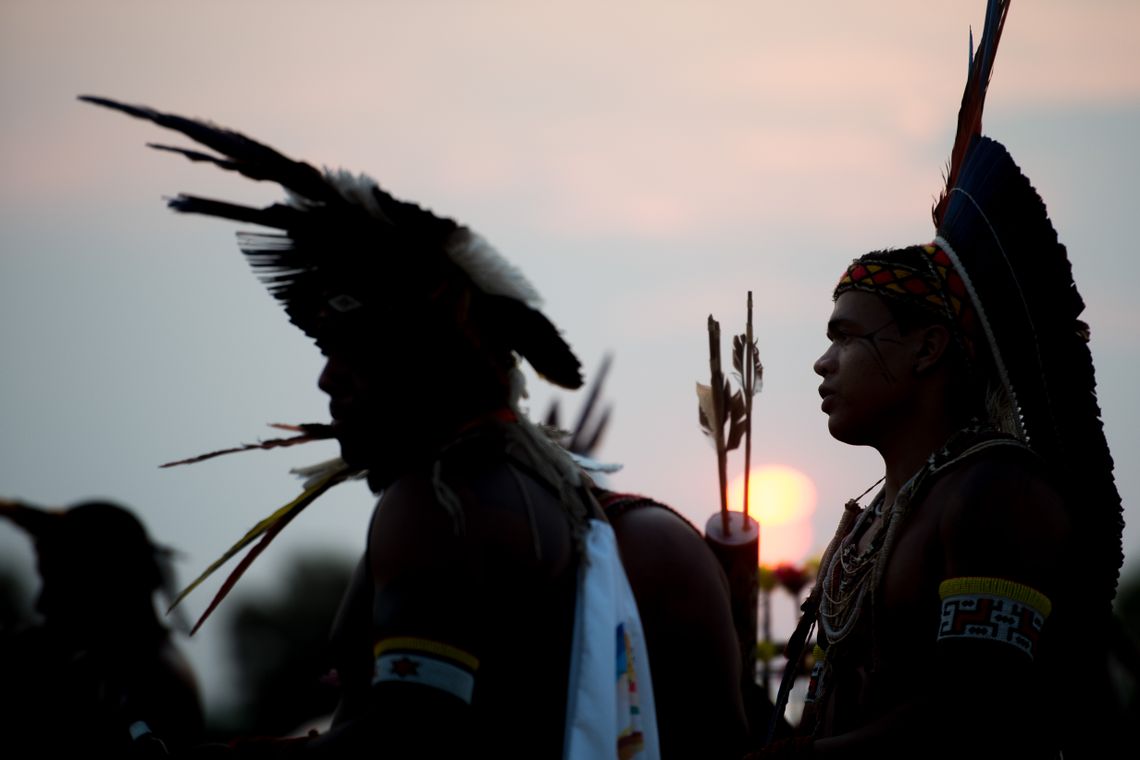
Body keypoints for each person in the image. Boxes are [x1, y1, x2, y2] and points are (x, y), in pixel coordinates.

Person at [82, 95, 675, 758]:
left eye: (353, 352)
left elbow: (403, 742)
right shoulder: (532, 493)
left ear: (423, 367)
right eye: (326, 350)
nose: (327, 380)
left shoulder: (440, 505)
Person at [754, 1, 1126, 757]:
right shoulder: (875, 518)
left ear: (927, 349)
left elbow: (975, 719)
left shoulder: (997, 495)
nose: (823, 363)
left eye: (846, 338)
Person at [0, 498, 205, 757]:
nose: (42, 603)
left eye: (60, 583)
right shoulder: (135, 669)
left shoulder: (142, 684)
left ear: (107, 580)